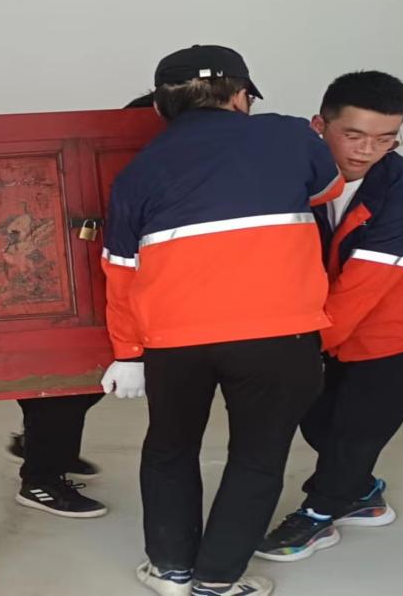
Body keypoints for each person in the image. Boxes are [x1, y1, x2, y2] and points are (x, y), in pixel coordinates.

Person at [102, 45, 344, 596]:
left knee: (169, 448)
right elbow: (328, 189)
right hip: (279, 335)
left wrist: (127, 352)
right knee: (258, 456)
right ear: (240, 96)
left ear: (160, 107)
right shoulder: (289, 135)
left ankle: (170, 570)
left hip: (174, 339)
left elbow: (119, 271)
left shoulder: (138, 171)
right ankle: (216, 580)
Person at [255, 71, 403, 563]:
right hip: (335, 315)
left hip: (402, 328)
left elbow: (360, 290)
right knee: (318, 420)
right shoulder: (301, 176)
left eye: (385, 138)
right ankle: (363, 493)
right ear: (320, 126)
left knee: (355, 430)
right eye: (353, 135)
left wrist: (295, 351)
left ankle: (319, 513)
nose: (367, 150)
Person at [3, 90, 159, 519]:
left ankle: (42, 447)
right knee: (68, 384)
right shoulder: (108, 168)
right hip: (79, 288)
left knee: (81, 383)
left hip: (104, 288)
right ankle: (40, 479)